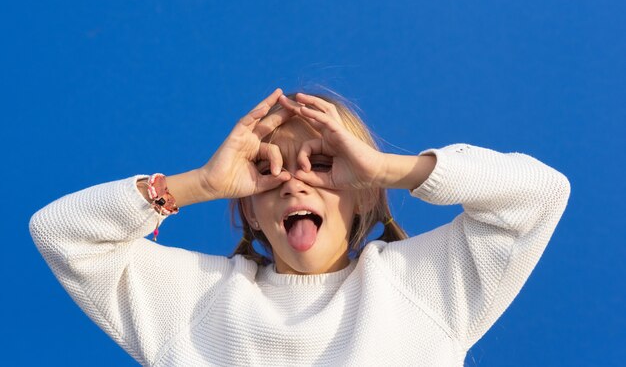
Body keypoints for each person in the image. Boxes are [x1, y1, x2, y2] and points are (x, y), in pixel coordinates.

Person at [30, 88, 570, 366]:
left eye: (324, 166)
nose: (293, 184)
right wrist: (202, 183)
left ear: (363, 199)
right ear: (250, 211)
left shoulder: (422, 286)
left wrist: (385, 169)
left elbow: (539, 193)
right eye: (265, 171)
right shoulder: (194, 302)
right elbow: (61, 232)